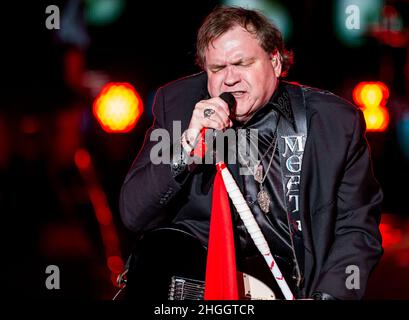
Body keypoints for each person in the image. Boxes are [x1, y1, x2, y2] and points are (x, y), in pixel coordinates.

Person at [119, 6, 383, 300]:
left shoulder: (333, 123)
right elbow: (134, 214)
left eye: (242, 63)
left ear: (275, 62)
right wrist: (185, 148)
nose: (229, 79)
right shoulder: (180, 105)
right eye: (217, 69)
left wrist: (329, 296)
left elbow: (357, 229)